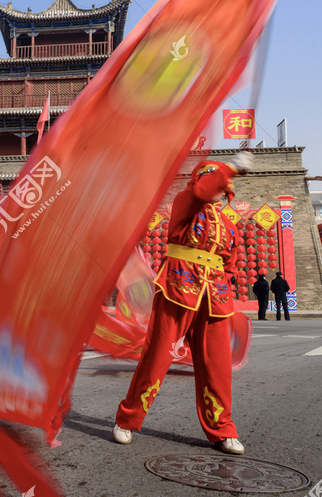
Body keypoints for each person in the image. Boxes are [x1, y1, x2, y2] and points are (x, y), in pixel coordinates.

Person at [113, 153, 252, 455]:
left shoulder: (229, 224)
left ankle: (222, 429)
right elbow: (202, 191)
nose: (212, 185)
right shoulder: (186, 201)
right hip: (179, 285)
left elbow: (231, 263)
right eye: (208, 178)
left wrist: (226, 281)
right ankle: (127, 418)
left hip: (214, 297)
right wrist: (233, 167)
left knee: (218, 366)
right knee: (157, 357)